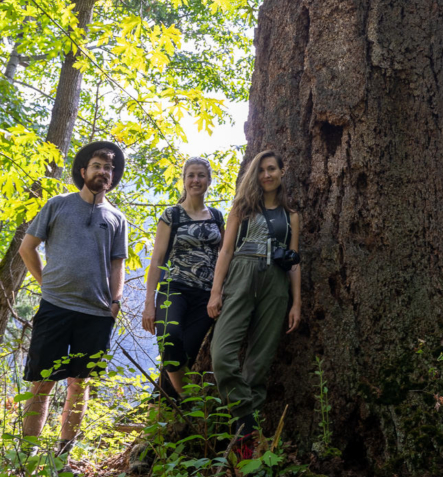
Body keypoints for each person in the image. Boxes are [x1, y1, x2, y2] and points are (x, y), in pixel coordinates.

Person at [18, 141, 127, 456]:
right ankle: (27, 456)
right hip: (55, 307)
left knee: (80, 385)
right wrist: (46, 283)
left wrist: (115, 301)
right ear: (83, 171)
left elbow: (117, 263)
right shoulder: (58, 204)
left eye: (108, 168)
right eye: (97, 166)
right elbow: (28, 248)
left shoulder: (117, 219)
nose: (103, 172)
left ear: (112, 176)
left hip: (96, 313)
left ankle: (64, 456)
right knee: (41, 383)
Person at [208, 150, 301, 453]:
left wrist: (296, 303)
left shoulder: (292, 217)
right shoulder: (242, 208)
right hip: (241, 275)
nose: (266, 175)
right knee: (221, 355)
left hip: (275, 283)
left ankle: (245, 447)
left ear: (282, 172)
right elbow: (225, 251)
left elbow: (295, 262)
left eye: (272, 169)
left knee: (258, 364)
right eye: (261, 170)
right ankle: (246, 417)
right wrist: (216, 290)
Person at [142, 157, 224, 397]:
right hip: (173, 288)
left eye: (201, 175)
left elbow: (224, 257)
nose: (195, 180)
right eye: (191, 175)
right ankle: (188, 402)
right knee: (169, 338)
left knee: (185, 352)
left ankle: (166, 407)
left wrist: (219, 292)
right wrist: (149, 303)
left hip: (205, 297)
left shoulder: (217, 217)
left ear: (208, 181)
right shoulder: (172, 215)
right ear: (184, 180)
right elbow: (157, 261)